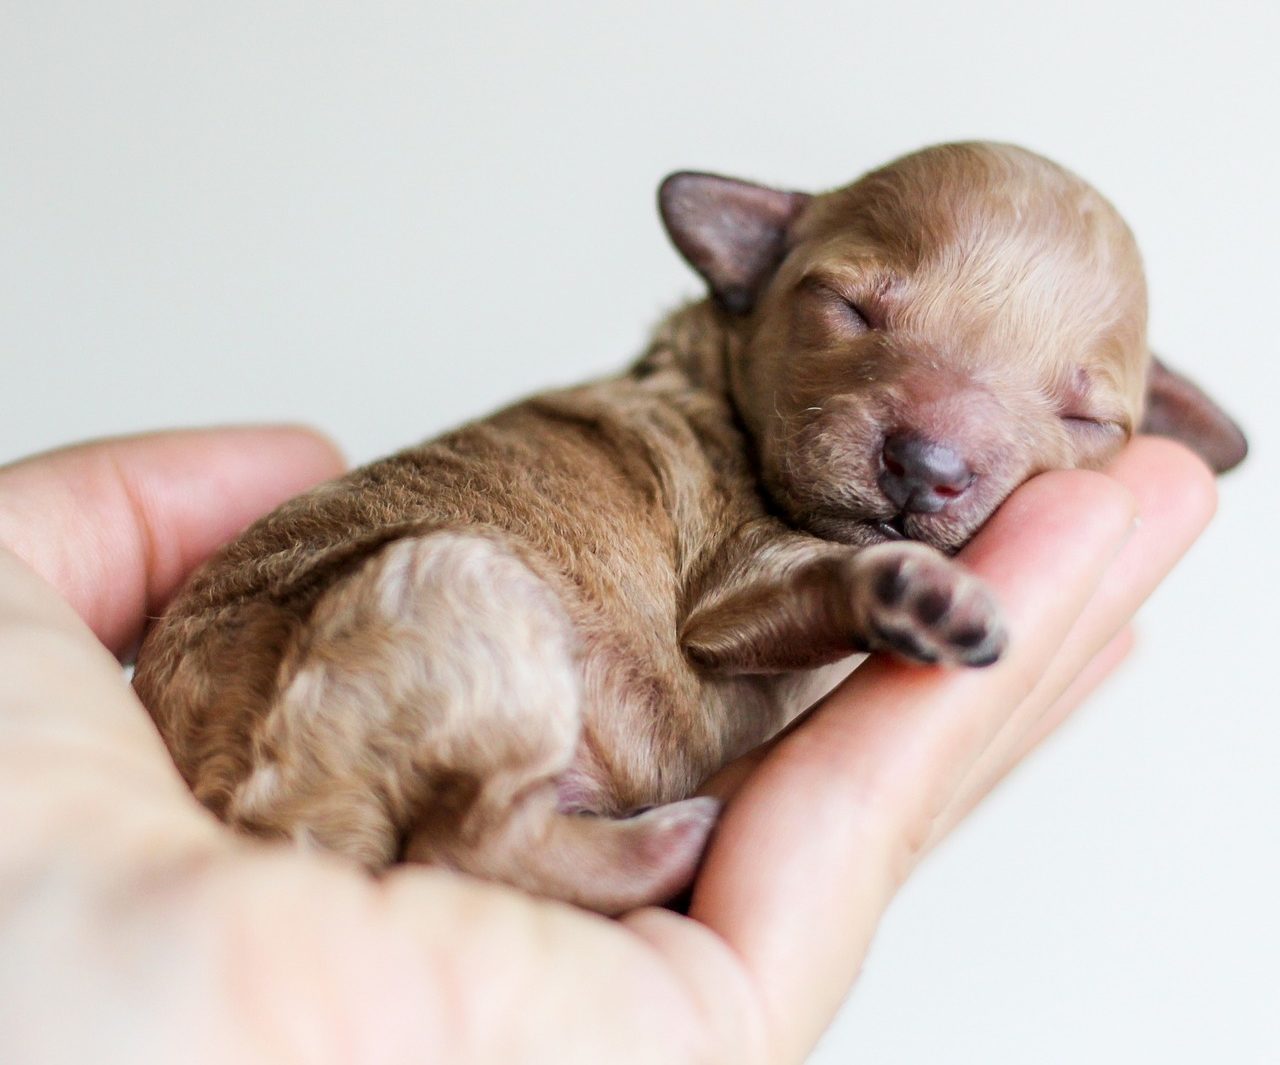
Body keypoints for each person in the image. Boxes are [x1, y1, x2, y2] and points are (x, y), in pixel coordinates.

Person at [0, 426, 1215, 1064]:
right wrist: (851, 591)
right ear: (749, 261)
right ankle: (514, 836)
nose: (936, 446)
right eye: (855, 311)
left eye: (1070, 410)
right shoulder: (696, 446)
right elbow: (729, 614)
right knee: (466, 604)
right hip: (360, 695)